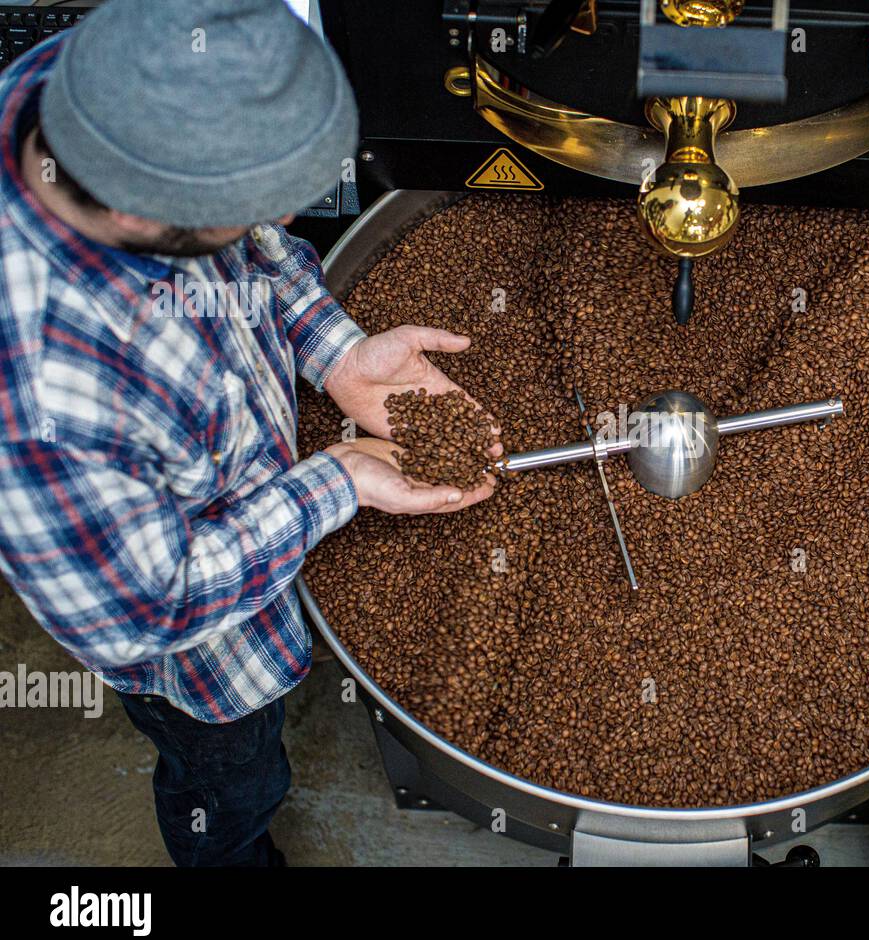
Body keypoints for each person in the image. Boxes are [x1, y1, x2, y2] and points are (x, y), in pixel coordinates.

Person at [0, 0, 499, 865]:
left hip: (235, 501)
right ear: (144, 218)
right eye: (253, 205)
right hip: (200, 664)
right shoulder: (41, 400)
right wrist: (338, 479)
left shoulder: (96, 80)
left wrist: (339, 355)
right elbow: (143, 611)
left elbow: (251, 246)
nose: (279, 223)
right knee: (232, 784)